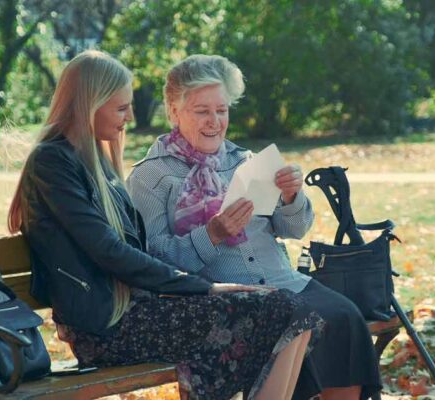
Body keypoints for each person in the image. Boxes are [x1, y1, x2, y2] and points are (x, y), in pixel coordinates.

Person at [7, 50, 324, 400]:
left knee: (294, 308)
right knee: (281, 309)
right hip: (105, 326)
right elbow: (108, 251)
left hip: (138, 308)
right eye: (121, 107)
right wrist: (203, 288)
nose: (130, 116)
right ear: (89, 104)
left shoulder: (94, 158)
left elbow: (130, 250)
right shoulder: (53, 162)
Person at [127, 54, 382, 400]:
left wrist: (292, 196)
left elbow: (293, 229)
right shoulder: (150, 176)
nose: (214, 121)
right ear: (173, 111)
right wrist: (212, 234)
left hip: (284, 283)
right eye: (202, 111)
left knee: (344, 317)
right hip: (230, 299)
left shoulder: (246, 161)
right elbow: (155, 262)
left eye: (222, 110)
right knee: (296, 325)